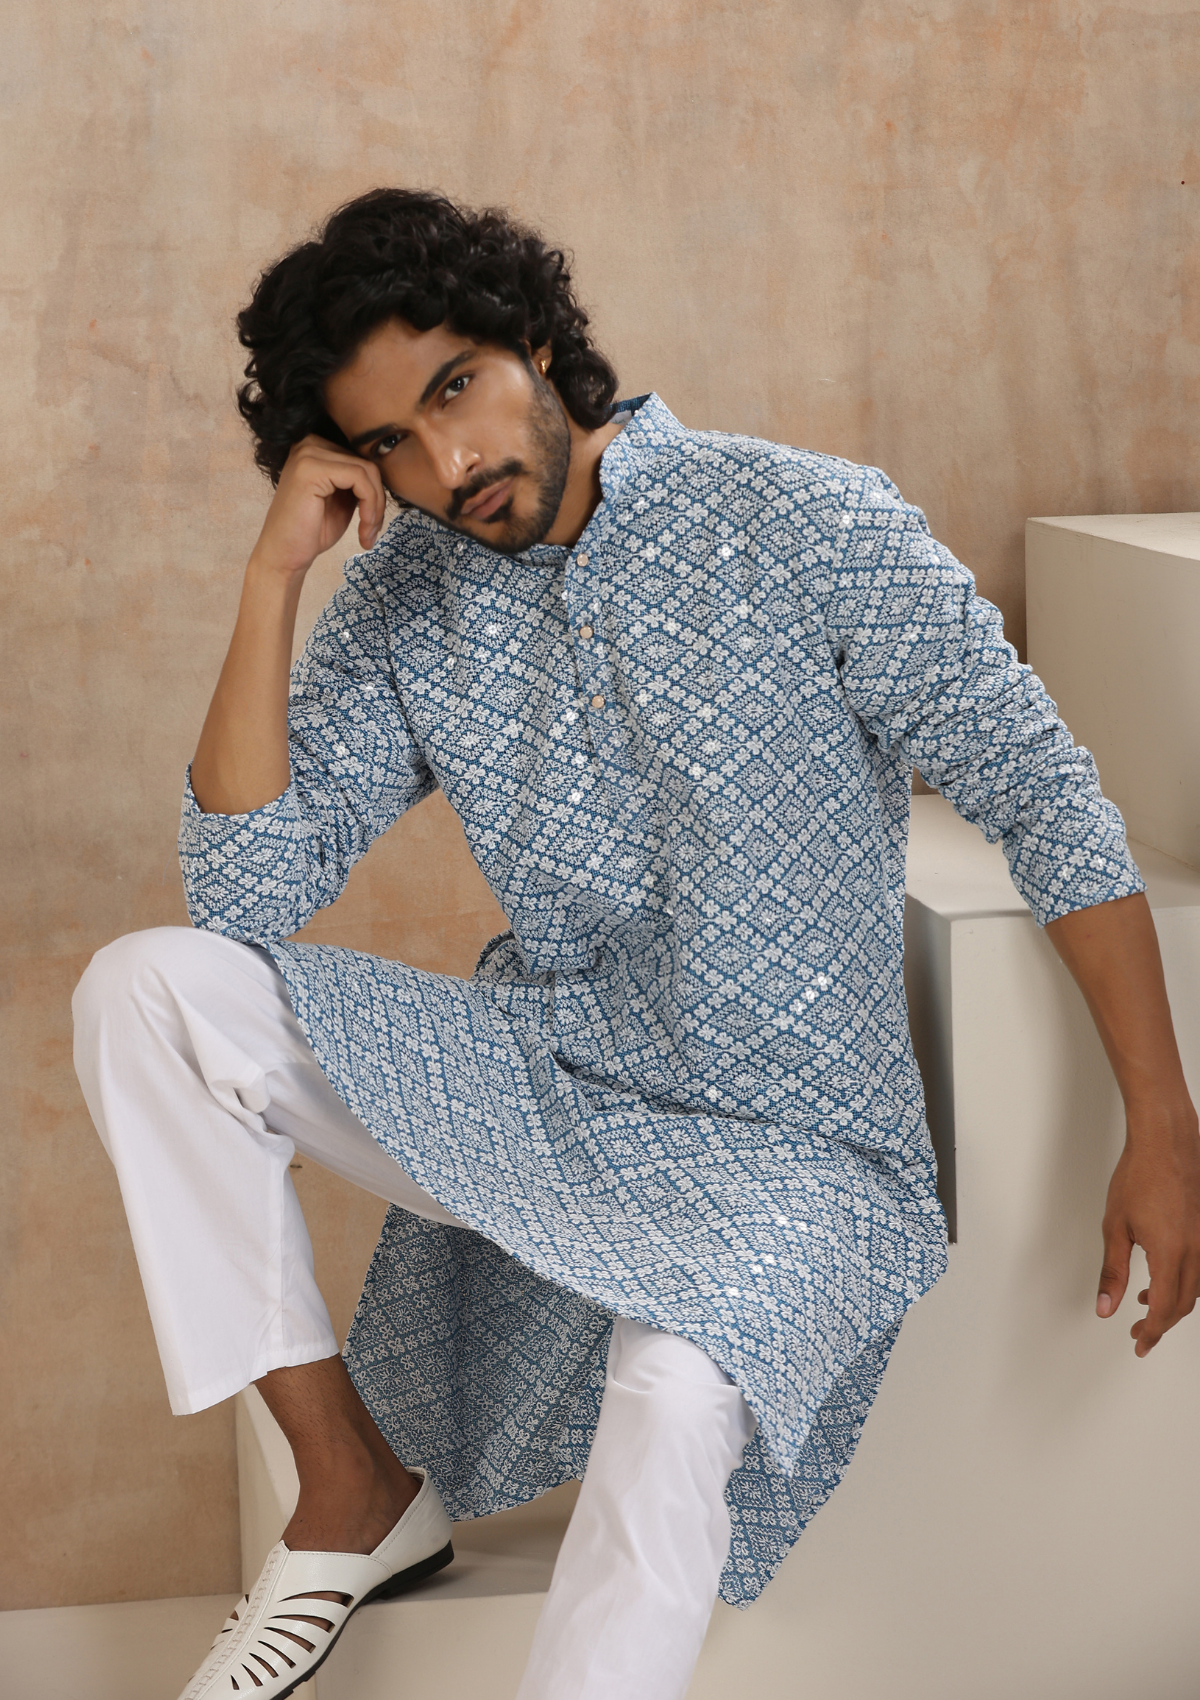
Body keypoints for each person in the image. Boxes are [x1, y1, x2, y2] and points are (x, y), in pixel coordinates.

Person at [73, 188, 1200, 1700]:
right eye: (391, 441)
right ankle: (348, 1486)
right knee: (145, 990)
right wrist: (274, 578)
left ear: (536, 341)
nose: (447, 464)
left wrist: (1162, 1120)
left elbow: (1043, 797)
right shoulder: (405, 598)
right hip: (547, 1084)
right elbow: (245, 890)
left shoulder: (807, 520)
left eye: (456, 389)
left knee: (672, 1397)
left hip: (793, 1144)